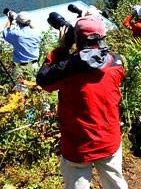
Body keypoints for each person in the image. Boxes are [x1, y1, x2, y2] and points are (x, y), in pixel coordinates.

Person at [36, 16, 127, 189]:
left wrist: (62, 49)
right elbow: (97, 61)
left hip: (77, 146)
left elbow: (43, 79)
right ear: (103, 38)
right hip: (109, 140)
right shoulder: (117, 63)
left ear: (76, 39)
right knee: (116, 185)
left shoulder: (66, 68)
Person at [2, 10, 41, 83]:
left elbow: (5, 32)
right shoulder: (37, 32)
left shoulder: (16, 35)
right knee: (35, 89)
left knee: (21, 91)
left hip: (20, 68)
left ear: (18, 22)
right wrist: (25, 20)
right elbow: (33, 28)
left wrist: (10, 20)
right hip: (34, 66)